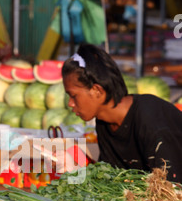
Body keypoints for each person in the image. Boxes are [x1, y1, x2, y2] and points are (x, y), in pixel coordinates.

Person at [62, 43, 182, 184]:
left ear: (97, 91)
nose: (70, 103)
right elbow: (111, 180)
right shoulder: (104, 122)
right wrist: (75, 169)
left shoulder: (151, 124)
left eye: (73, 95)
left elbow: (171, 191)